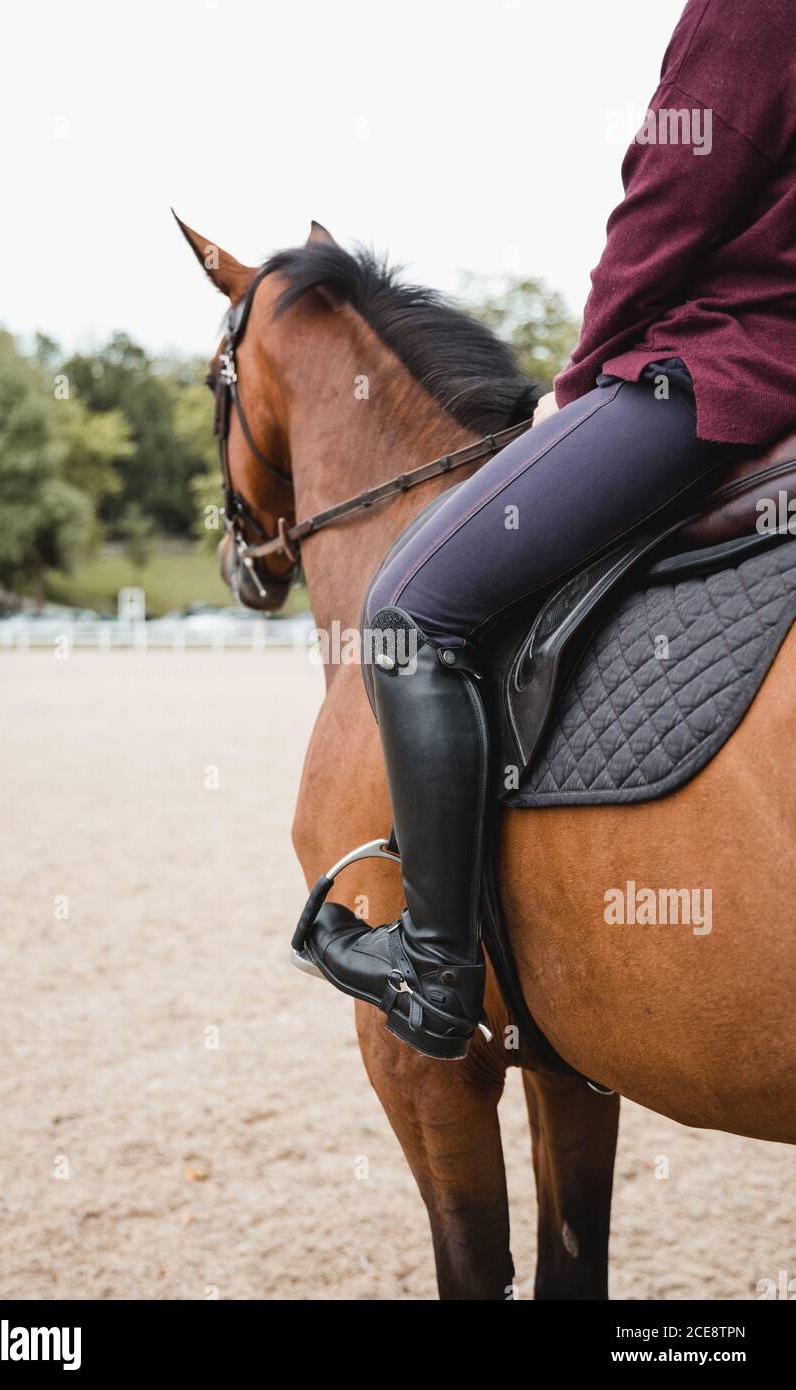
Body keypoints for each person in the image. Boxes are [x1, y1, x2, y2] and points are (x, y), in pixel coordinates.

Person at [300, 0, 796, 1059]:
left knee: (404, 609)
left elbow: (671, 204)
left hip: (725, 367)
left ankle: (435, 969)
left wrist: (577, 382)